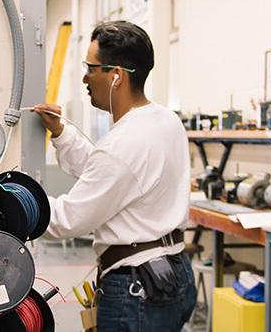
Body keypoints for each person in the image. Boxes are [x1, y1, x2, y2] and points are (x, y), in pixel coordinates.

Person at [33, 20, 196, 331]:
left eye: (91, 68)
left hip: (137, 288)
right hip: (174, 272)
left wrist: (14, 202)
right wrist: (61, 132)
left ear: (116, 76)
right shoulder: (165, 121)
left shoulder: (124, 143)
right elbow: (111, 176)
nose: (84, 77)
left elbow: (69, 219)